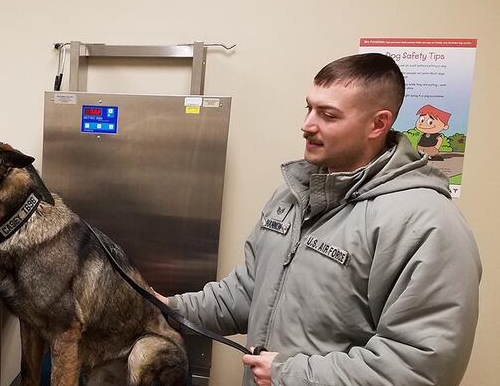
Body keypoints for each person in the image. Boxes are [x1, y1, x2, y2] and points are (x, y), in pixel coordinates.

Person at [156, 53, 481, 386]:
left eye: (328, 114)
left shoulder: (426, 223)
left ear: (378, 124)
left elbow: (421, 368)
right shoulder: (293, 196)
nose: (308, 125)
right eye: (309, 108)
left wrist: (289, 374)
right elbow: (248, 293)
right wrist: (167, 308)